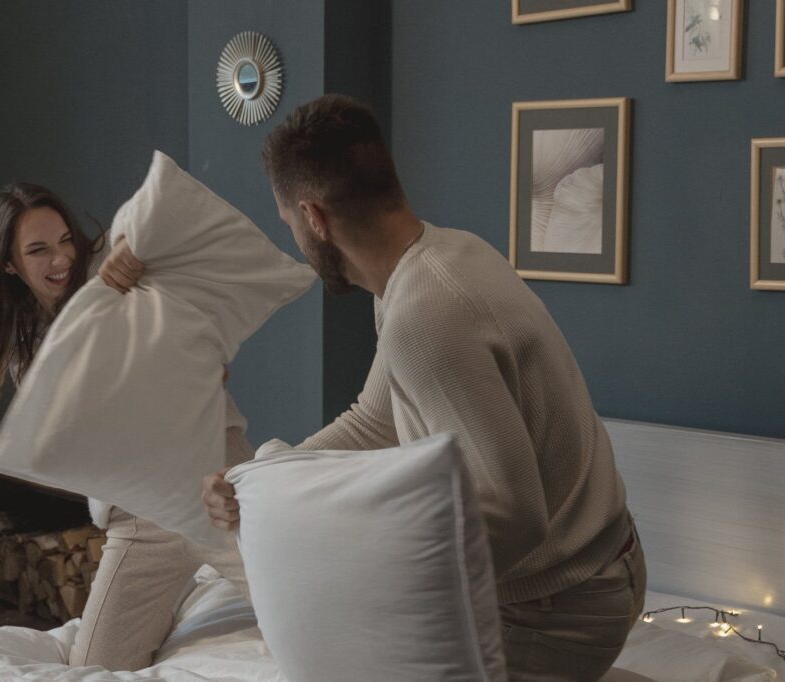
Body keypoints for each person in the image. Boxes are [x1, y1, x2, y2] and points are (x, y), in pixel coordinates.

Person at [201, 95, 646, 682]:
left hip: (557, 607)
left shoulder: (425, 312)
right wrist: (258, 482)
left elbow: (516, 516)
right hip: (591, 574)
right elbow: (374, 420)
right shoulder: (436, 260)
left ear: (313, 217)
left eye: (289, 226)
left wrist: (366, 572)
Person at [0, 183, 251, 671]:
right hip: (140, 515)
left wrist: (131, 249)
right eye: (38, 250)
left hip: (214, 482)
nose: (61, 257)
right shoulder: (29, 354)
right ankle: (176, 603)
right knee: (95, 665)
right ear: (8, 265)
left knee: (311, 613)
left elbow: (160, 211)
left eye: (65, 239)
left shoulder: (111, 265)